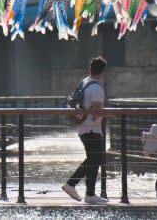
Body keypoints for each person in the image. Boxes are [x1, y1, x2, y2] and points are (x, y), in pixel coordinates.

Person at [62, 56, 108, 205]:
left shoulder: (85, 82)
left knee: (93, 159)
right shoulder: (97, 88)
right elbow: (96, 114)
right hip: (92, 130)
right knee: (95, 159)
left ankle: (79, 188)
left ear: (90, 69)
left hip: (83, 128)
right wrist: (108, 113)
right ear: (103, 71)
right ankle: (82, 190)